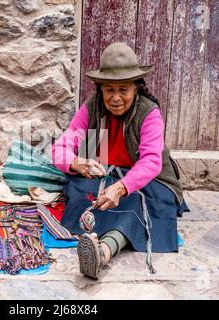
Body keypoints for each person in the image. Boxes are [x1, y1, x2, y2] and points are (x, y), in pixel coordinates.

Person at [51, 42, 189, 279]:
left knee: (135, 203)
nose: (115, 98)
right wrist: (77, 162)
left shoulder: (149, 113)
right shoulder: (92, 107)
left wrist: (121, 187)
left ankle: (103, 252)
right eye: (109, 90)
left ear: (136, 88)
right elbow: (60, 148)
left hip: (149, 180)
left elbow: (150, 163)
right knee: (83, 194)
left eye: (123, 90)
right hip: (108, 173)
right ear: (100, 89)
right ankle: (94, 236)